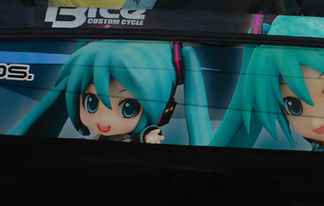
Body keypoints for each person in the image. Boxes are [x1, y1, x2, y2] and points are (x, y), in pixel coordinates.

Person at [9, 40, 213, 145]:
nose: (104, 121)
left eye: (128, 108)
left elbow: (148, 135)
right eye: (91, 103)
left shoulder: (140, 134)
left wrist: (148, 136)